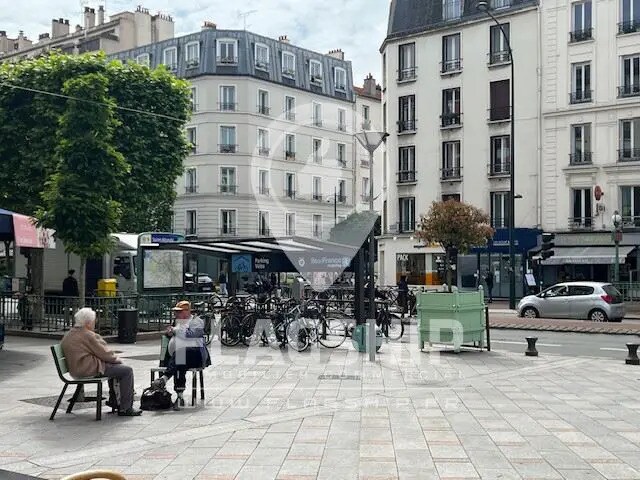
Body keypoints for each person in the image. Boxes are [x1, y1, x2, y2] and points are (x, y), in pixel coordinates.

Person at [60, 308, 141, 416]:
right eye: (94, 321)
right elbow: (105, 353)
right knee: (126, 371)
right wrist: (118, 360)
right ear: (88, 323)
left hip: (76, 369)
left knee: (114, 368)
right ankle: (126, 408)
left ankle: (114, 401)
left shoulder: (69, 334)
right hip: (88, 369)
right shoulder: (88, 335)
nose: (95, 323)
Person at [152, 301, 210, 410]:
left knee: (181, 354)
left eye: (179, 312)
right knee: (180, 362)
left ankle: (164, 378)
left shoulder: (197, 321)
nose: (176, 314)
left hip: (196, 355)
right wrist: (169, 332)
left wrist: (175, 330)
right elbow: (175, 334)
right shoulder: (178, 322)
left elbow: (191, 335)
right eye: (175, 312)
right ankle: (179, 396)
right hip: (180, 356)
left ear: (187, 311)